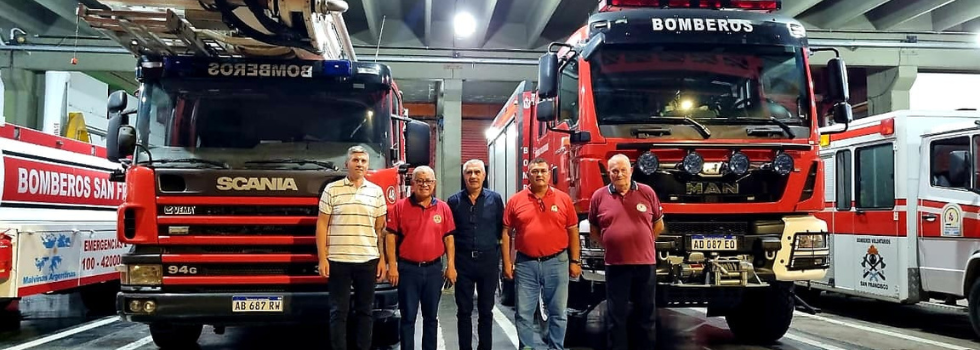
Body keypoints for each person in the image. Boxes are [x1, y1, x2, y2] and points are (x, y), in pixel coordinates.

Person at [502, 158, 582, 350]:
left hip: (557, 262)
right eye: (535, 171)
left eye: (543, 171)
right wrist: (507, 262)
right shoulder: (516, 201)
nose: (539, 174)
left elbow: (573, 231)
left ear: (549, 174)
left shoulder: (563, 200)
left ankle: (556, 347)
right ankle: (527, 347)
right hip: (525, 264)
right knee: (523, 313)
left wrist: (575, 261)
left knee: (558, 312)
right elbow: (506, 233)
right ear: (528, 175)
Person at [587, 154, 664, 350]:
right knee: (616, 316)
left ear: (631, 171)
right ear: (609, 173)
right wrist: (611, 244)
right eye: (614, 171)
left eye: (623, 170)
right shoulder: (599, 196)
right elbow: (594, 230)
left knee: (646, 314)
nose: (619, 174)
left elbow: (658, 224)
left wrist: (643, 242)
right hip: (616, 265)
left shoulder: (647, 192)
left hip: (645, 264)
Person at [315, 145, 388, 350]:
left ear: (367, 165)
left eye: (363, 161)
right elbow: (322, 225)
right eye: (355, 160)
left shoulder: (376, 192)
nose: (360, 164)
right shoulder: (332, 189)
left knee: (366, 311)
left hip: (368, 260)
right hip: (338, 261)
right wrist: (322, 258)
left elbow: (380, 229)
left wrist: (382, 259)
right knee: (339, 312)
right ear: (347, 164)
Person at [385, 166, 457, 350]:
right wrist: (392, 266)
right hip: (408, 270)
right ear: (413, 183)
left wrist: (451, 265)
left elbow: (449, 238)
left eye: (428, 181)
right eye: (420, 181)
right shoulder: (400, 207)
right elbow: (390, 237)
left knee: (431, 317)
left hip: (433, 270)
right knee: (408, 318)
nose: (424, 184)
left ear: (434, 184)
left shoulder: (443, 208)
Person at [447, 159, 505, 350]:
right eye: (469, 172)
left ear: (484, 175)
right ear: (463, 176)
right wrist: (451, 265)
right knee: (463, 311)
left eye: (477, 172)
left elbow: (501, 231)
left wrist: (502, 261)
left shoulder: (495, 199)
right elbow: (450, 236)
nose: (473, 176)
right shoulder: (454, 201)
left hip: (488, 262)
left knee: (486, 311)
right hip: (463, 263)